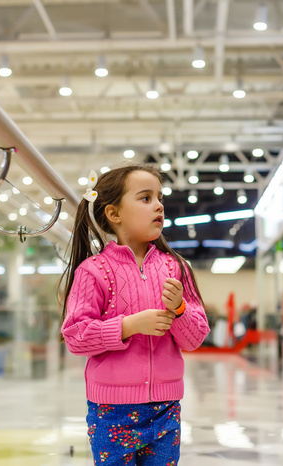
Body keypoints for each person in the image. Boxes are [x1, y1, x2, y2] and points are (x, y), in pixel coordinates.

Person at [59, 164, 210, 465]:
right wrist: (129, 326)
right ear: (114, 214)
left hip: (166, 408)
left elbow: (195, 339)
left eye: (160, 198)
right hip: (111, 411)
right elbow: (76, 337)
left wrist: (179, 309)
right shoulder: (93, 271)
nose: (158, 206)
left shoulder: (176, 268)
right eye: (145, 198)